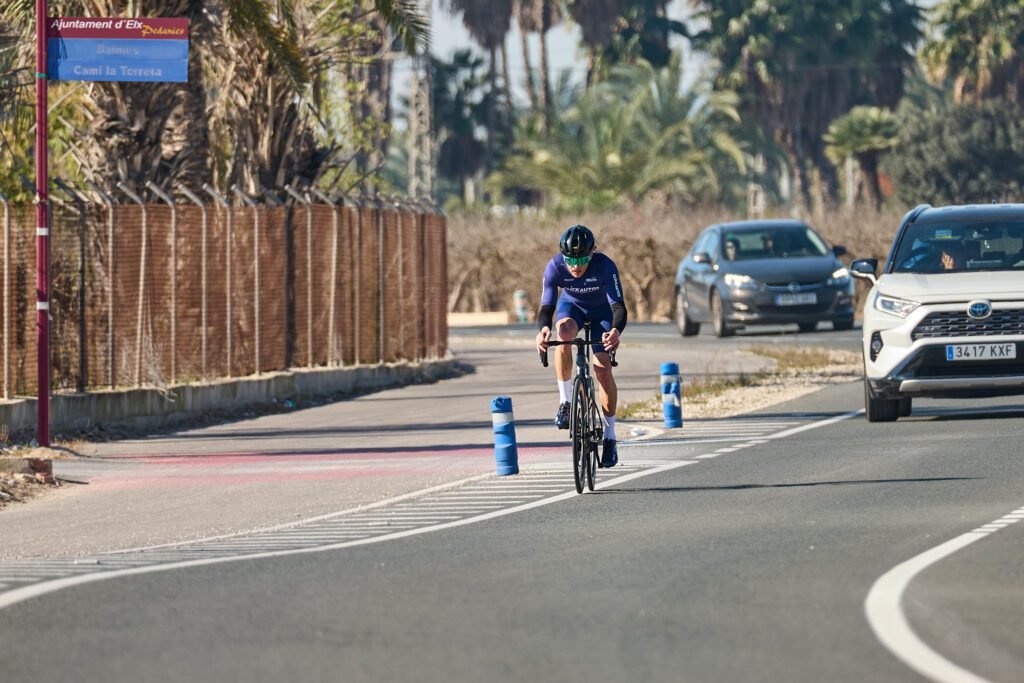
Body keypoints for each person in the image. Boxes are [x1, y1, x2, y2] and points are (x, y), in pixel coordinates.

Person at [535, 224, 627, 468]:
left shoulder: (605, 266)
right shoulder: (555, 266)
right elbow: (546, 307)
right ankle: (565, 402)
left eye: (582, 259)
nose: (575, 266)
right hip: (572, 308)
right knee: (562, 332)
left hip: (602, 313)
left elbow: (618, 307)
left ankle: (610, 437)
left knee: (602, 368)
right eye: (570, 260)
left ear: (592, 253)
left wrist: (615, 331)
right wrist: (543, 329)